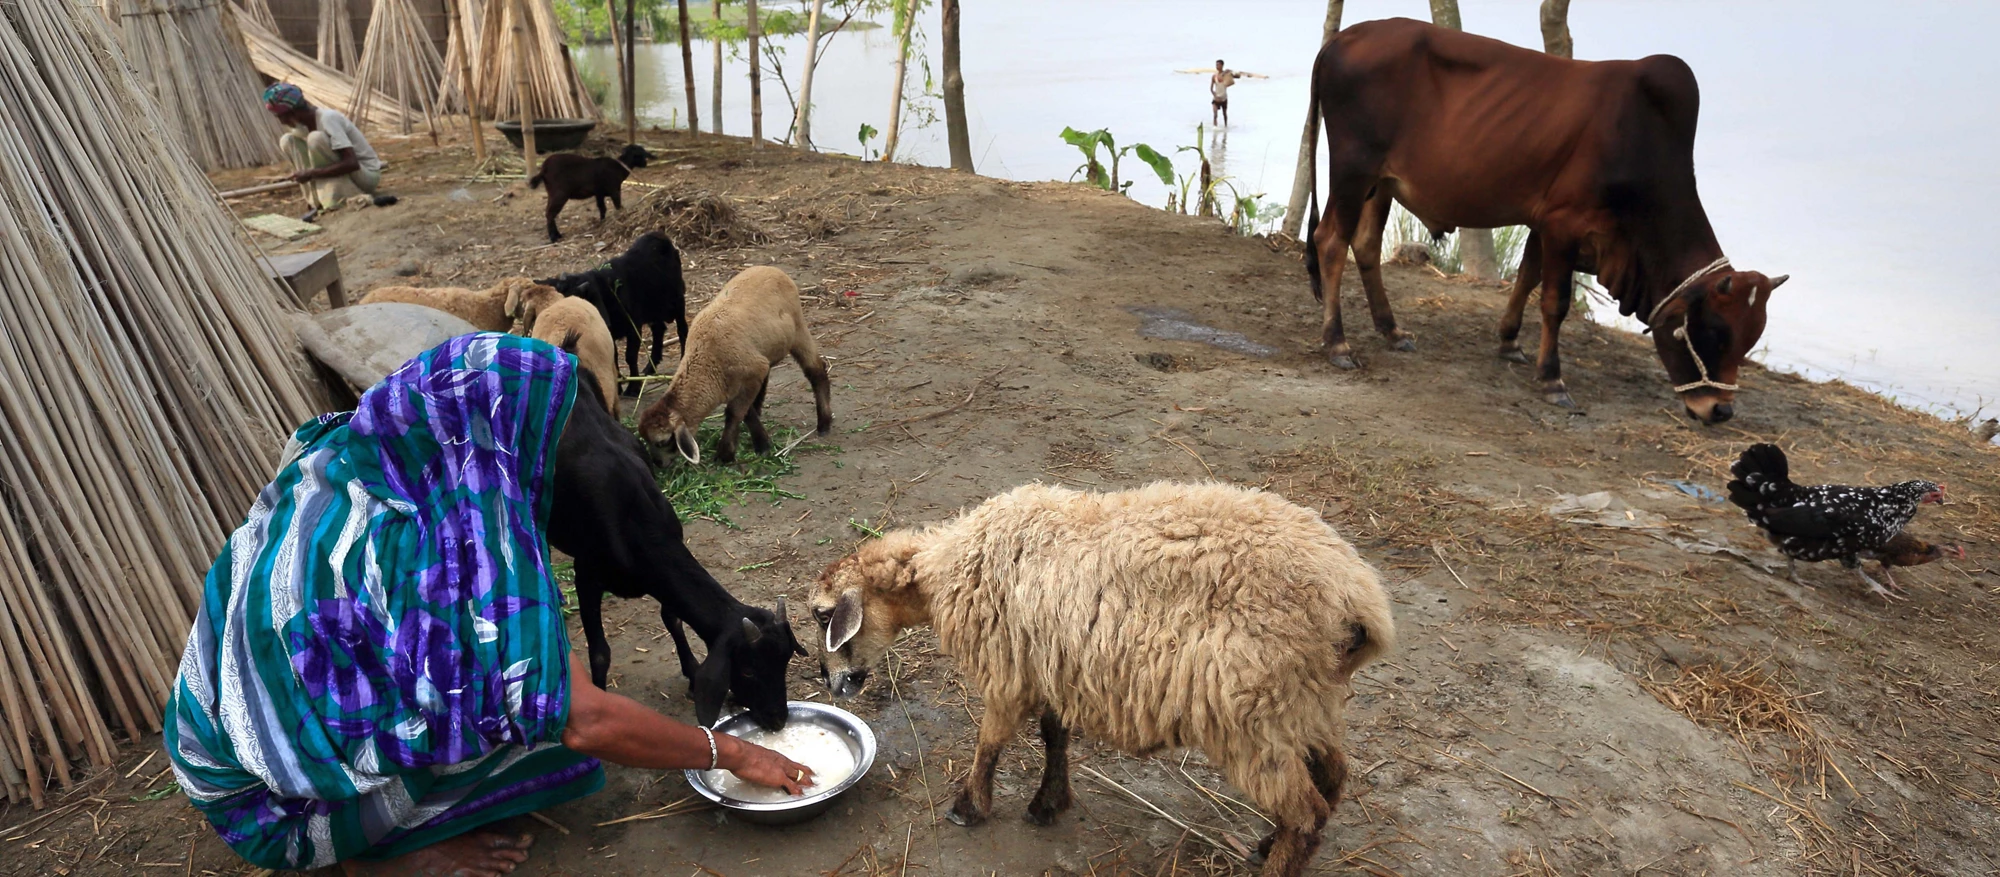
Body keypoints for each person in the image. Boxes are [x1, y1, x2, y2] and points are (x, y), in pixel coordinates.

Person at [164, 334, 814, 875]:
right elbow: (584, 718)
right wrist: (730, 752)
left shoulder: (380, 450)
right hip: (266, 806)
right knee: (544, 727)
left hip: (207, 726)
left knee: (527, 690)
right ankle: (382, 855)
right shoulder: (476, 554)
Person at [264, 82, 387, 221]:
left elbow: (352, 163)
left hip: (366, 175)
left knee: (315, 138)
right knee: (287, 140)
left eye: (282, 117)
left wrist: (311, 173)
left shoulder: (328, 119)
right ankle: (316, 200)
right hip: (347, 173)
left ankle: (339, 197)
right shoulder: (301, 128)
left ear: (294, 112)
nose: (282, 122)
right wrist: (306, 174)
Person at [1210, 60, 1239, 126]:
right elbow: (1211, 88)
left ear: (1222, 65)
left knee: (1224, 114)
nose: (1217, 66)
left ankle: (1225, 127)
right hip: (1216, 97)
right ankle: (1215, 128)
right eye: (1216, 65)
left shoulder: (1226, 75)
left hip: (1223, 97)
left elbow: (1237, 76)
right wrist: (1214, 95)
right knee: (1215, 115)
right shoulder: (1214, 76)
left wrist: (1229, 71)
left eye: (1218, 65)